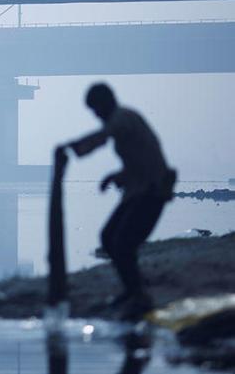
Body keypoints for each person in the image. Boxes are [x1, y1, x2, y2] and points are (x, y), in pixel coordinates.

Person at [64, 83, 176, 320]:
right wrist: (116, 176)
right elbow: (140, 162)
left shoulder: (123, 118)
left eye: (96, 109)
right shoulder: (124, 121)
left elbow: (105, 136)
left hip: (151, 192)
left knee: (123, 243)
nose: (97, 115)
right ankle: (132, 290)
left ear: (105, 103)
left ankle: (139, 295)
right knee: (109, 238)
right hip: (139, 190)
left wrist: (74, 147)